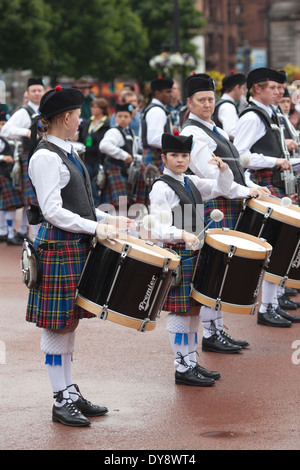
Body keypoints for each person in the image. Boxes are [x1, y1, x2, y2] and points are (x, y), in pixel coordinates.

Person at [26, 85, 132, 427]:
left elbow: (79, 203)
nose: (82, 119)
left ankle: (69, 392)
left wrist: (107, 219)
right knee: (58, 326)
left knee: (68, 322)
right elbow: (52, 211)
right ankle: (60, 400)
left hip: (72, 244)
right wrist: (95, 228)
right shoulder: (45, 156)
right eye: (79, 114)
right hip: (59, 246)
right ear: (67, 117)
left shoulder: (68, 151)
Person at [180, 73, 268, 353]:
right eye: (202, 100)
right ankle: (209, 333)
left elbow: (233, 168)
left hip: (222, 204)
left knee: (221, 270)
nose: (208, 104)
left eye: (211, 99)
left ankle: (216, 329)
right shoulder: (191, 133)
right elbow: (212, 175)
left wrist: (252, 185)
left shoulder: (212, 128)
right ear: (189, 103)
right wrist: (245, 191)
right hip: (207, 207)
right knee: (210, 270)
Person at [150, 132, 238, 385]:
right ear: (164, 157)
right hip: (179, 253)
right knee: (180, 311)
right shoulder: (161, 187)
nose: (180, 160)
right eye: (175, 155)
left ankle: (190, 361)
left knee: (192, 308)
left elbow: (222, 188)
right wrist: (182, 234)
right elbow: (156, 227)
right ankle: (181, 367)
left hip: (194, 252)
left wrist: (223, 170)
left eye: (184, 155)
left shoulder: (190, 181)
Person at [234, 67, 299, 327]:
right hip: (262, 184)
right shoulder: (252, 117)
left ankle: (271, 304)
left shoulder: (271, 112)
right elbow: (240, 155)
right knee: (272, 245)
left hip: (275, 182)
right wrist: (275, 161)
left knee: (280, 246)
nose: (279, 91)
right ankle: (266, 307)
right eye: (273, 87)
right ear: (257, 88)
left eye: (280, 87)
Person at [0, 77, 45, 242]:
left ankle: (33, 234)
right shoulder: (23, 112)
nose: (37, 93)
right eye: (33, 91)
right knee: (32, 198)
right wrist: (26, 132)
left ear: (44, 91)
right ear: (28, 93)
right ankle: (34, 237)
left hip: (50, 155)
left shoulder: (48, 109)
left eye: (39, 90)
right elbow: (5, 130)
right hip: (31, 156)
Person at [139, 77, 173, 204]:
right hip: (155, 157)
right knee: (157, 198)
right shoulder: (157, 111)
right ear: (158, 93)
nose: (172, 95)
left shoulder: (154, 108)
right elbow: (153, 139)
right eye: (168, 92)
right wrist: (175, 144)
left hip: (151, 156)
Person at [99, 103, 138, 209]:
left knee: (126, 205)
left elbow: (133, 153)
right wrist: (124, 155)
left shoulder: (131, 132)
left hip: (126, 173)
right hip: (115, 171)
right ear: (115, 117)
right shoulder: (114, 131)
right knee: (118, 205)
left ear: (131, 117)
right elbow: (104, 146)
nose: (123, 119)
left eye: (126, 116)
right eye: (119, 116)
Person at [78, 97, 110, 205]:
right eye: (92, 106)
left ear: (102, 109)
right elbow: (82, 138)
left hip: (100, 159)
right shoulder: (88, 122)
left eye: (96, 107)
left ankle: (95, 205)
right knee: (86, 181)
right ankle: (88, 204)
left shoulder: (107, 124)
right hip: (87, 158)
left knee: (96, 183)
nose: (93, 109)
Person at [0, 112, 23, 244]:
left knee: (4, 206)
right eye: (2, 124)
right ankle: (9, 234)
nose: (4, 127)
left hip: (6, 174)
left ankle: (4, 232)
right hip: (4, 174)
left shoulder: (5, 139)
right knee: (10, 206)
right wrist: (3, 157)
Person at [212, 71, 246, 141]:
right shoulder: (228, 106)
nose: (243, 92)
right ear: (236, 88)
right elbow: (231, 132)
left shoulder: (221, 102)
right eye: (242, 88)